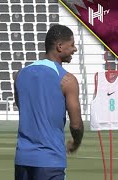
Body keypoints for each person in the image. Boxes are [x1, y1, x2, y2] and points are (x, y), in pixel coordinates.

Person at [13, 24, 84, 180]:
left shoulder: (20, 74)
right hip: (50, 160)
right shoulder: (67, 80)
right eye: (71, 45)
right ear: (59, 46)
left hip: (22, 159)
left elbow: (22, 107)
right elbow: (76, 124)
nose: (74, 49)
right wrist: (76, 143)